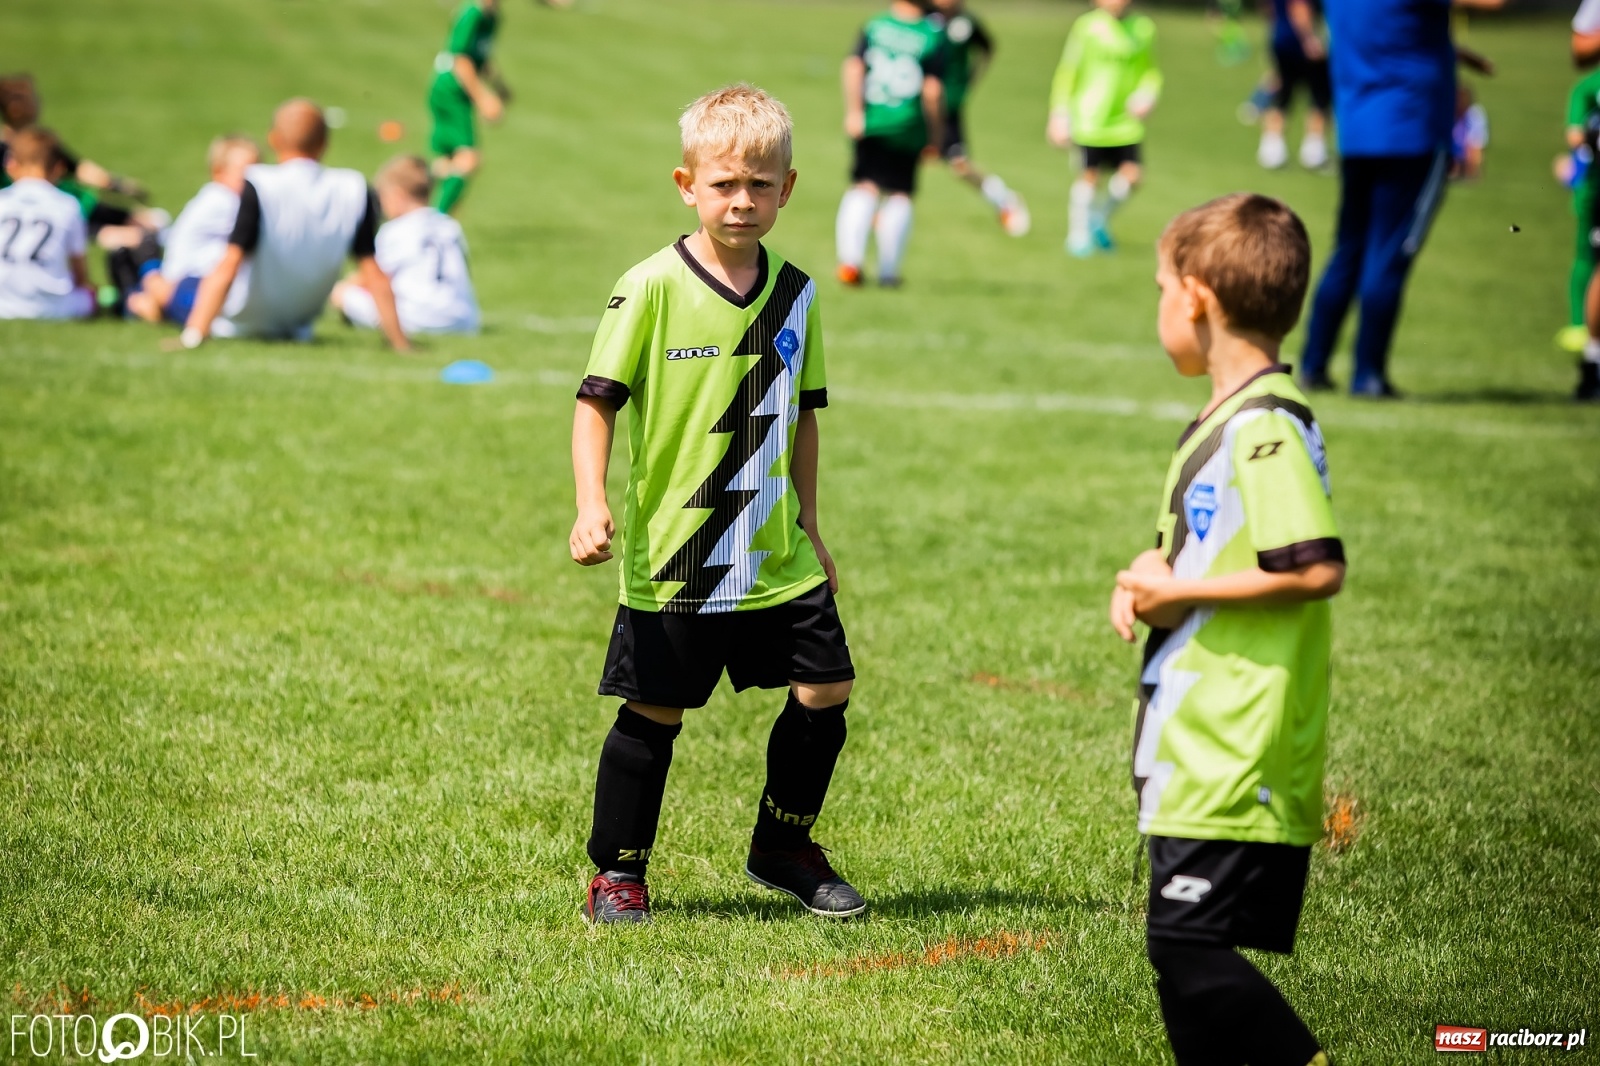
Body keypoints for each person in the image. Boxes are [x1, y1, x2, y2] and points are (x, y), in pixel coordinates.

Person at [570, 85, 862, 924]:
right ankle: (619, 872)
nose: (743, 201)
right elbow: (596, 402)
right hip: (679, 552)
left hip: (777, 552)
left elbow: (804, 416)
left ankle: (782, 844)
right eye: (726, 184)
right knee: (656, 712)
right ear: (686, 184)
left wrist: (810, 523)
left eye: (761, 185)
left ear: (789, 188)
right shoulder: (651, 287)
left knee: (827, 688)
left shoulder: (799, 294)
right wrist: (590, 503)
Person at [1111, 193, 1344, 1066]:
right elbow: (1207, 545)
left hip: (1238, 741)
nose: (1161, 304)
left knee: (1186, 949)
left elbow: (1312, 564)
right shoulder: (1235, 415)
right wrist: (1148, 577)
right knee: (1180, 963)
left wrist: (1184, 588)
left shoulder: (1264, 426)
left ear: (1198, 298)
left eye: (1162, 286)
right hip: (1201, 740)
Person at [1296, 0, 1503, 399]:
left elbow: (1381, 32)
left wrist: (1443, 48)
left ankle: (1313, 365)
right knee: (1389, 253)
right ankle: (1368, 375)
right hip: (1411, 128)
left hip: (1357, 128)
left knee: (1349, 250)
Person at [180, 99, 409, 352]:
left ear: (274, 139)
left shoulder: (258, 182)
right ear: (324, 143)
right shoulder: (353, 188)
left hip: (240, 318)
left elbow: (229, 264)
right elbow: (373, 273)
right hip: (299, 321)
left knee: (159, 286)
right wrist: (400, 343)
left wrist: (195, 334)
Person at [835, 0, 946, 288]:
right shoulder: (932, 35)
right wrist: (936, 135)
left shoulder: (876, 25)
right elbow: (932, 91)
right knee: (900, 193)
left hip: (873, 120)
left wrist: (854, 111)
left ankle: (850, 261)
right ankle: (888, 272)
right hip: (908, 126)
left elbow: (853, 66)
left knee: (864, 185)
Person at [1047, 0, 1162, 258]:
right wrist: (1059, 113)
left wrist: (1148, 94)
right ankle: (1078, 234)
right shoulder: (1086, 27)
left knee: (1133, 177)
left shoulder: (1143, 28)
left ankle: (1098, 217)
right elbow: (1068, 71)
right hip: (1090, 119)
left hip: (1125, 121)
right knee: (1089, 176)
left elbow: (1150, 71)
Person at [331, 154, 481, 336]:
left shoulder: (395, 230)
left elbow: (371, 276)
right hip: (465, 320)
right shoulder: (449, 226)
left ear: (397, 196)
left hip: (419, 319)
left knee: (342, 294)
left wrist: (344, 287)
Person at [126, 135, 259, 326]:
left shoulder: (216, 196)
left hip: (185, 276)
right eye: (245, 172)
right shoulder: (222, 200)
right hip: (184, 281)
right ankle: (152, 302)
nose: (253, 179)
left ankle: (152, 301)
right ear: (218, 172)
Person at [928, 0, 1029, 237]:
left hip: (948, 105)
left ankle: (1005, 200)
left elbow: (988, 48)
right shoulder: (924, 18)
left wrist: (970, 79)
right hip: (917, 103)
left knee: (960, 165)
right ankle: (878, 214)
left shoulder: (968, 23)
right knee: (896, 157)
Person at [0, 126, 94, 321]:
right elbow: (80, 275)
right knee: (90, 296)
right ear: (59, 168)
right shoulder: (67, 205)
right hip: (51, 308)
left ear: (11, 165)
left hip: (3, 303)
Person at [427, 0, 508, 215]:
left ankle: (407, 184)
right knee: (468, 158)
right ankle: (436, 218)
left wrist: (500, 85)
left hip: (455, 90)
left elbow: (480, 58)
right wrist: (483, 98)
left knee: (448, 163)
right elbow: (460, 59)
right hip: (450, 90)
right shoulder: (473, 12)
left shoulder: (492, 16)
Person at [1256, 0, 1330, 171]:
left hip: (1280, 39)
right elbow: (1300, 6)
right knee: (1319, 98)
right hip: (1300, 44)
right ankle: (1314, 152)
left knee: (1283, 96)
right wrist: (1309, 39)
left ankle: (1272, 150)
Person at [1557, 65, 1600, 356]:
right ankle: (1579, 325)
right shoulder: (1589, 86)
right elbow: (1573, 135)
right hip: (1593, 187)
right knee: (1587, 255)